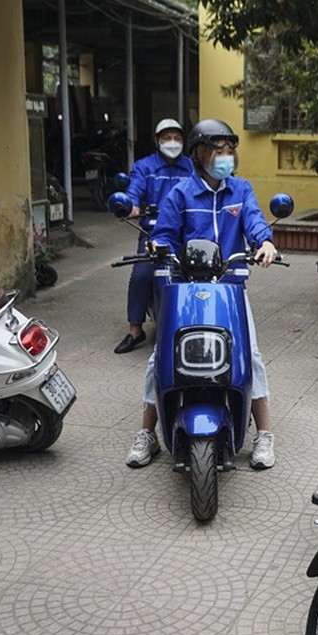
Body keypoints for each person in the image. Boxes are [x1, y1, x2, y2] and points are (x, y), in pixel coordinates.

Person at [125, 118, 280, 470]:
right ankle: (147, 433)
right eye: (217, 151)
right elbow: (164, 233)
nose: (225, 158)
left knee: (250, 356)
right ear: (199, 155)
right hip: (183, 289)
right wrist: (157, 246)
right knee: (158, 359)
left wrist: (266, 242)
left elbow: (255, 222)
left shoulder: (240, 191)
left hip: (230, 288)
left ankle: (264, 434)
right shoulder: (179, 193)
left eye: (229, 151)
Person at [114, 118, 195, 354]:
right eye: (167, 138)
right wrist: (131, 206)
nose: (172, 142)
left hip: (188, 233)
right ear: (157, 141)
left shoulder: (191, 167)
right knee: (141, 274)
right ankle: (135, 330)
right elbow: (134, 190)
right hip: (153, 233)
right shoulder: (145, 167)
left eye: (177, 138)